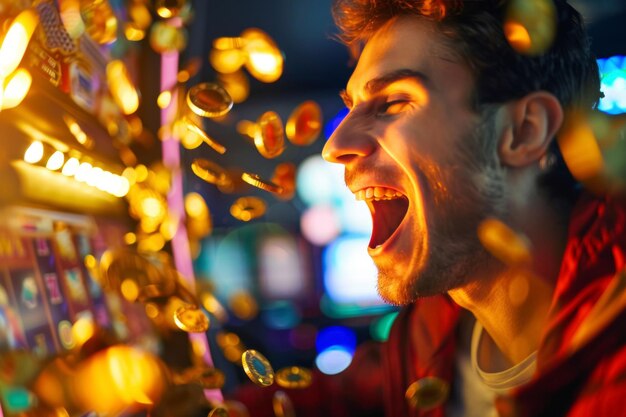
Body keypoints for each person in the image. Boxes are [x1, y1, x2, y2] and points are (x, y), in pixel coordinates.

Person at [321, 0, 626, 416]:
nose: (335, 146)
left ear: (523, 131)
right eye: (351, 106)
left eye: (393, 102)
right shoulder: (424, 338)